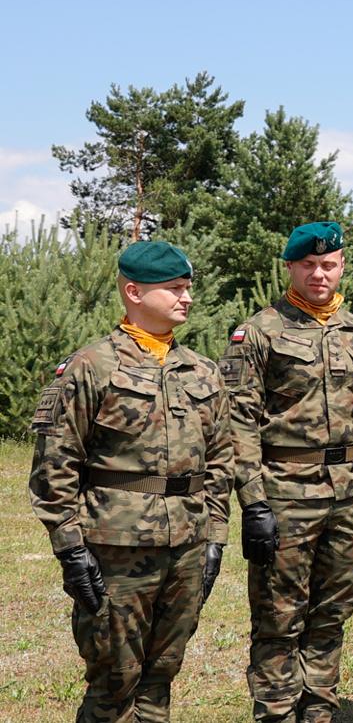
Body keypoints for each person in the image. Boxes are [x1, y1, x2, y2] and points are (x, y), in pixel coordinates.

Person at [31, 241, 233, 722]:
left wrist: (215, 538)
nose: (187, 297)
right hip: (115, 547)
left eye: (188, 288)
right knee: (114, 680)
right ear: (134, 292)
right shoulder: (91, 366)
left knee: (161, 675)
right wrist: (71, 549)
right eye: (174, 289)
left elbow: (222, 460)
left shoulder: (201, 370)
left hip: (186, 544)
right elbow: (54, 465)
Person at [222, 222, 353, 723]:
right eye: (308, 265)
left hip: (351, 494)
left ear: (342, 265)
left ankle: (319, 712)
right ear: (290, 268)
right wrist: (254, 502)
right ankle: (278, 714)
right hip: (285, 492)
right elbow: (238, 421)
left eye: (329, 264)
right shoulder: (258, 332)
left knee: (331, 616)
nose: (319, 273)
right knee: (279, 618)